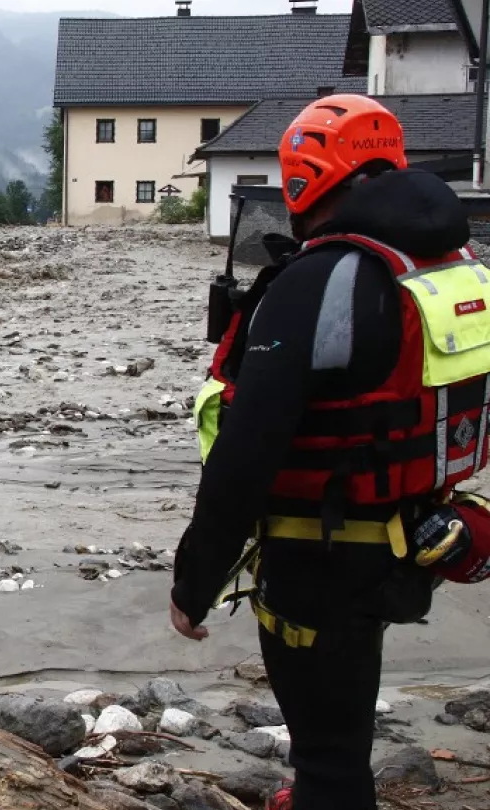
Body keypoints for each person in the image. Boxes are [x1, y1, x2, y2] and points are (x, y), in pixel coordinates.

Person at [171, 94, 489, 809]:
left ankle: (327, 794)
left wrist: (196, 581)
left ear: (301, 180)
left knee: (326, 747)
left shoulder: (320, 280)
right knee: (343, 706)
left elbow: (249, 450)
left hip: (320, 548)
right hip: (414, 534)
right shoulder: (448, 263)